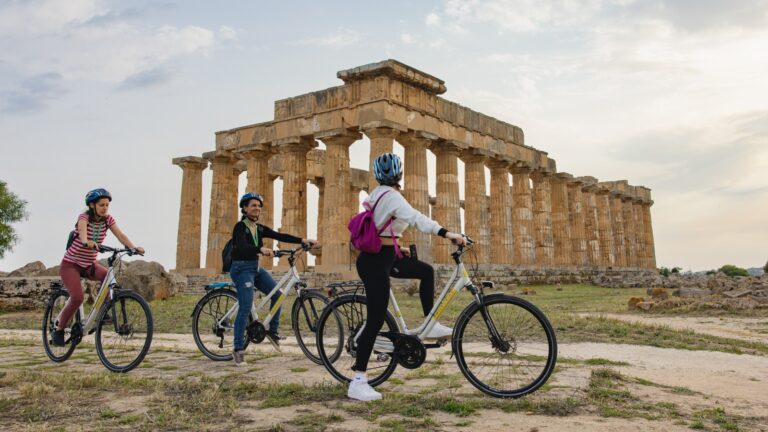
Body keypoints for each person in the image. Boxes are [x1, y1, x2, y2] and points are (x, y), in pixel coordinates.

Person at [348, 153, 466, 401]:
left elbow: (383, 225)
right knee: (376, 320)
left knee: (425, 271)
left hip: (384, 256)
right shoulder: (391, 196)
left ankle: (430, 323)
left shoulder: (377, 193)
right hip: (374, 263)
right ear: (399, 175)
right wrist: (447, 233)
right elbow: (415, 218)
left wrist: (394, 245)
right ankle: (358, 381)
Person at [230, 192, 317, 366]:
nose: (257, 208)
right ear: (245, 208)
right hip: (241, 268)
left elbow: (281, 236)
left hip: (255, 268)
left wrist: (302, 240)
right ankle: (238, 349)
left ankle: (272, 331)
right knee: (245, 307)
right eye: (253, 205)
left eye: (259, 206)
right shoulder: (240, 227)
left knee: (277, 295)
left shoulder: (260, 228)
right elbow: (242, 246)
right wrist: (260, 249)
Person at [53, 188, 144, 346]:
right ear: (92, 205)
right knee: (77, 297)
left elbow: (120, 235)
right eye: (101, 205)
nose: (105, 207)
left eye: (107, 205)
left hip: (88, 264)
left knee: (108, 278)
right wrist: (86, 241)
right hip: (71, 265)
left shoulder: (108, 220)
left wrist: (133, 247)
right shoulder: (84, 217)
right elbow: (82, 232)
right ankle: (59, 329)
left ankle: (103, 311)